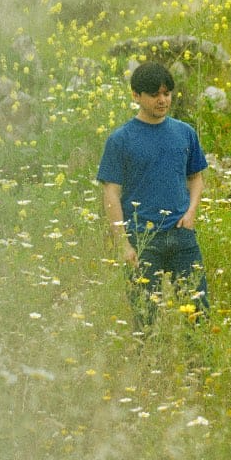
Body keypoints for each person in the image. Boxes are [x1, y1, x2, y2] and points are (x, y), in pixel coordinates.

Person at [97, 61, 210, 323]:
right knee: (145, 318)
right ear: (136, 95)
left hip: (182, 235)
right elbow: (111, 193)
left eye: (167, 93)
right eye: (155, 94)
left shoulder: (185, 133)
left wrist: (191, 213)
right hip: (142, 240)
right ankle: (147, 364)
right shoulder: (120, 139)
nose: (163, 100)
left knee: (199, 314)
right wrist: (123, 243)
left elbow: (196, 178)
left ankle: (199, 365)